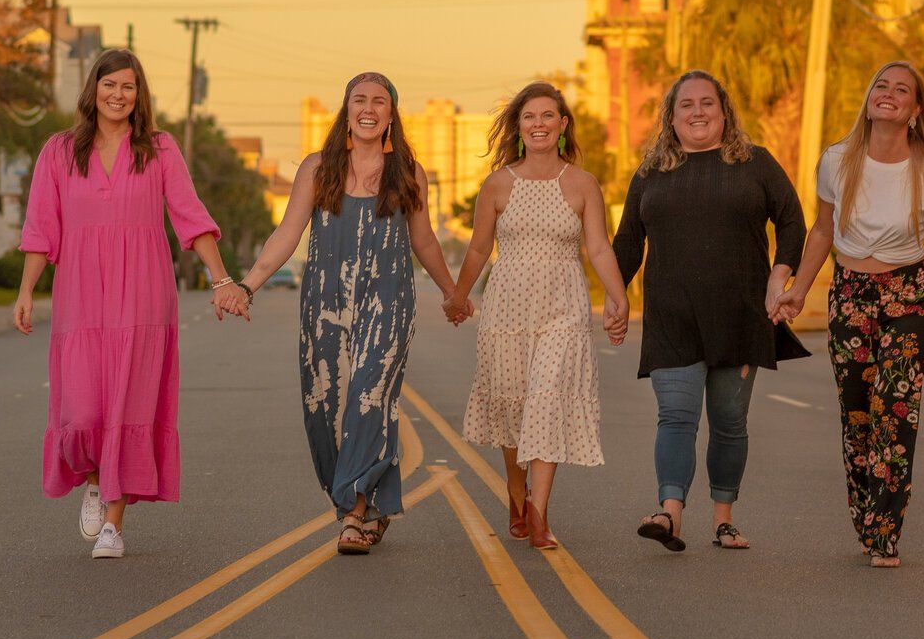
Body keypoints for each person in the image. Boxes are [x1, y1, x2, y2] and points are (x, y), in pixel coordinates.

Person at [14, 49, 240, 560]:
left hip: (143, 292)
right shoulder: (59, 151)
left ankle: (114, 523)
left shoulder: (158, 148)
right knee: (82, 408)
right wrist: (26, 291)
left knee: (127, 403)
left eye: (129, 87)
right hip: (80, 294)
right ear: (92, 89)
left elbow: (190, 215)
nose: (118, 95)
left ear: (140, 96)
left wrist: (221, 277)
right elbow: (40, 227)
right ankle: (95, 479)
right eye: (110, 84)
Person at [221, 72, 458, 555]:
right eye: (359, 100)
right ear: (346, 110)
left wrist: (452, 293)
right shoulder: (317, 168)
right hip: (325, 303)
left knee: (369, 397)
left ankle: (353, 513)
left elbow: (425, 240)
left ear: (392, 113)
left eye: (379, 101)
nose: (368, 108)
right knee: (323, 406)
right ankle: (365, 505)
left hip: (388, 301)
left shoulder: (409, 172)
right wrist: (247, 284)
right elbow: (287, 234)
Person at [774, 60, 924, 568]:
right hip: (851, 292)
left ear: (915, 110)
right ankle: (865, 513)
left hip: (911, 296)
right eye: (881, 84)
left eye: (902, 89)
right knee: (858, 412)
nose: (889, 93)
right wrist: (798, 291)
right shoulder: (838, 160)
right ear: (869, 97)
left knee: (895, 409)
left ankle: (886, 532)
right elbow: (821, 231)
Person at [613, 70, 808, 552]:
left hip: (741, 316)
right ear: (671, 118)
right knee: (675, 416)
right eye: (687, 106)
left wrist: (779, 277)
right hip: (672, 319)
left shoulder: (755, 163)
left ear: (724, 113)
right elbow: (627, 244)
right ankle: (670, 513)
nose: (697, 113)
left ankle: (723, 518)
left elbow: (792, 222)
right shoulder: (650, 172)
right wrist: (615, 298)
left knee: (728, 422)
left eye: (707, 104)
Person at [446, 83, 628, 550]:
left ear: (563, 124)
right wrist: (458, 297)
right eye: (530, 117)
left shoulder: (584, 184)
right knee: (512, 405)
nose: (539, 124)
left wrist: (617, 296)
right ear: (519, 126)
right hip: (506, 309)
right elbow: (480, 249)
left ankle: (539, 512)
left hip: (564, 308)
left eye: (549, 116)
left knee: (548, 397)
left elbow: (599, 248)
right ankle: (515, 489)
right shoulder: (498, 184)